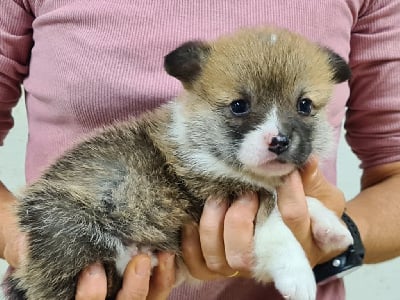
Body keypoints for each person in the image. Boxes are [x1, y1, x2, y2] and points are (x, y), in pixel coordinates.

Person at [1, 1, 399, 299]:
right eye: (240, 108)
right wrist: (20, 244)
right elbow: (235, 200)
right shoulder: (191, 152)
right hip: (82, 238)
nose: (278, 135)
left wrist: (340, 232)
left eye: (304, 106)